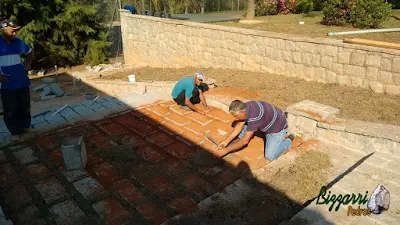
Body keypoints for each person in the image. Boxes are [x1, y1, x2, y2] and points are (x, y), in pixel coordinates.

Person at [217, 100, 295, 160]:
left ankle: (288, 141)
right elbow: (240, 124)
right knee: (243, 124)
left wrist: (226, 150)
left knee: (270, 156)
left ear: (241, 112)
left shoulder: (255, 117)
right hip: (269, 119)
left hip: (277, 128)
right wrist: (226, 141)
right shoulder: (246, 106)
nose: (235, 118)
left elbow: (245, 141)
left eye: (236, 116)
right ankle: (239, 139)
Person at [0, 19, 34, 142]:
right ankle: (14, 132)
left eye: (16, 31)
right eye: (12, 31)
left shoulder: (19, 43)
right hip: (6, 82)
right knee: (10, 107)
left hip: (21, 79)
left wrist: (28, 64)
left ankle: (26, 126)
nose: (15, 33)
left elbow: (29, 52)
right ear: (3, 30)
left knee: (24, 105)